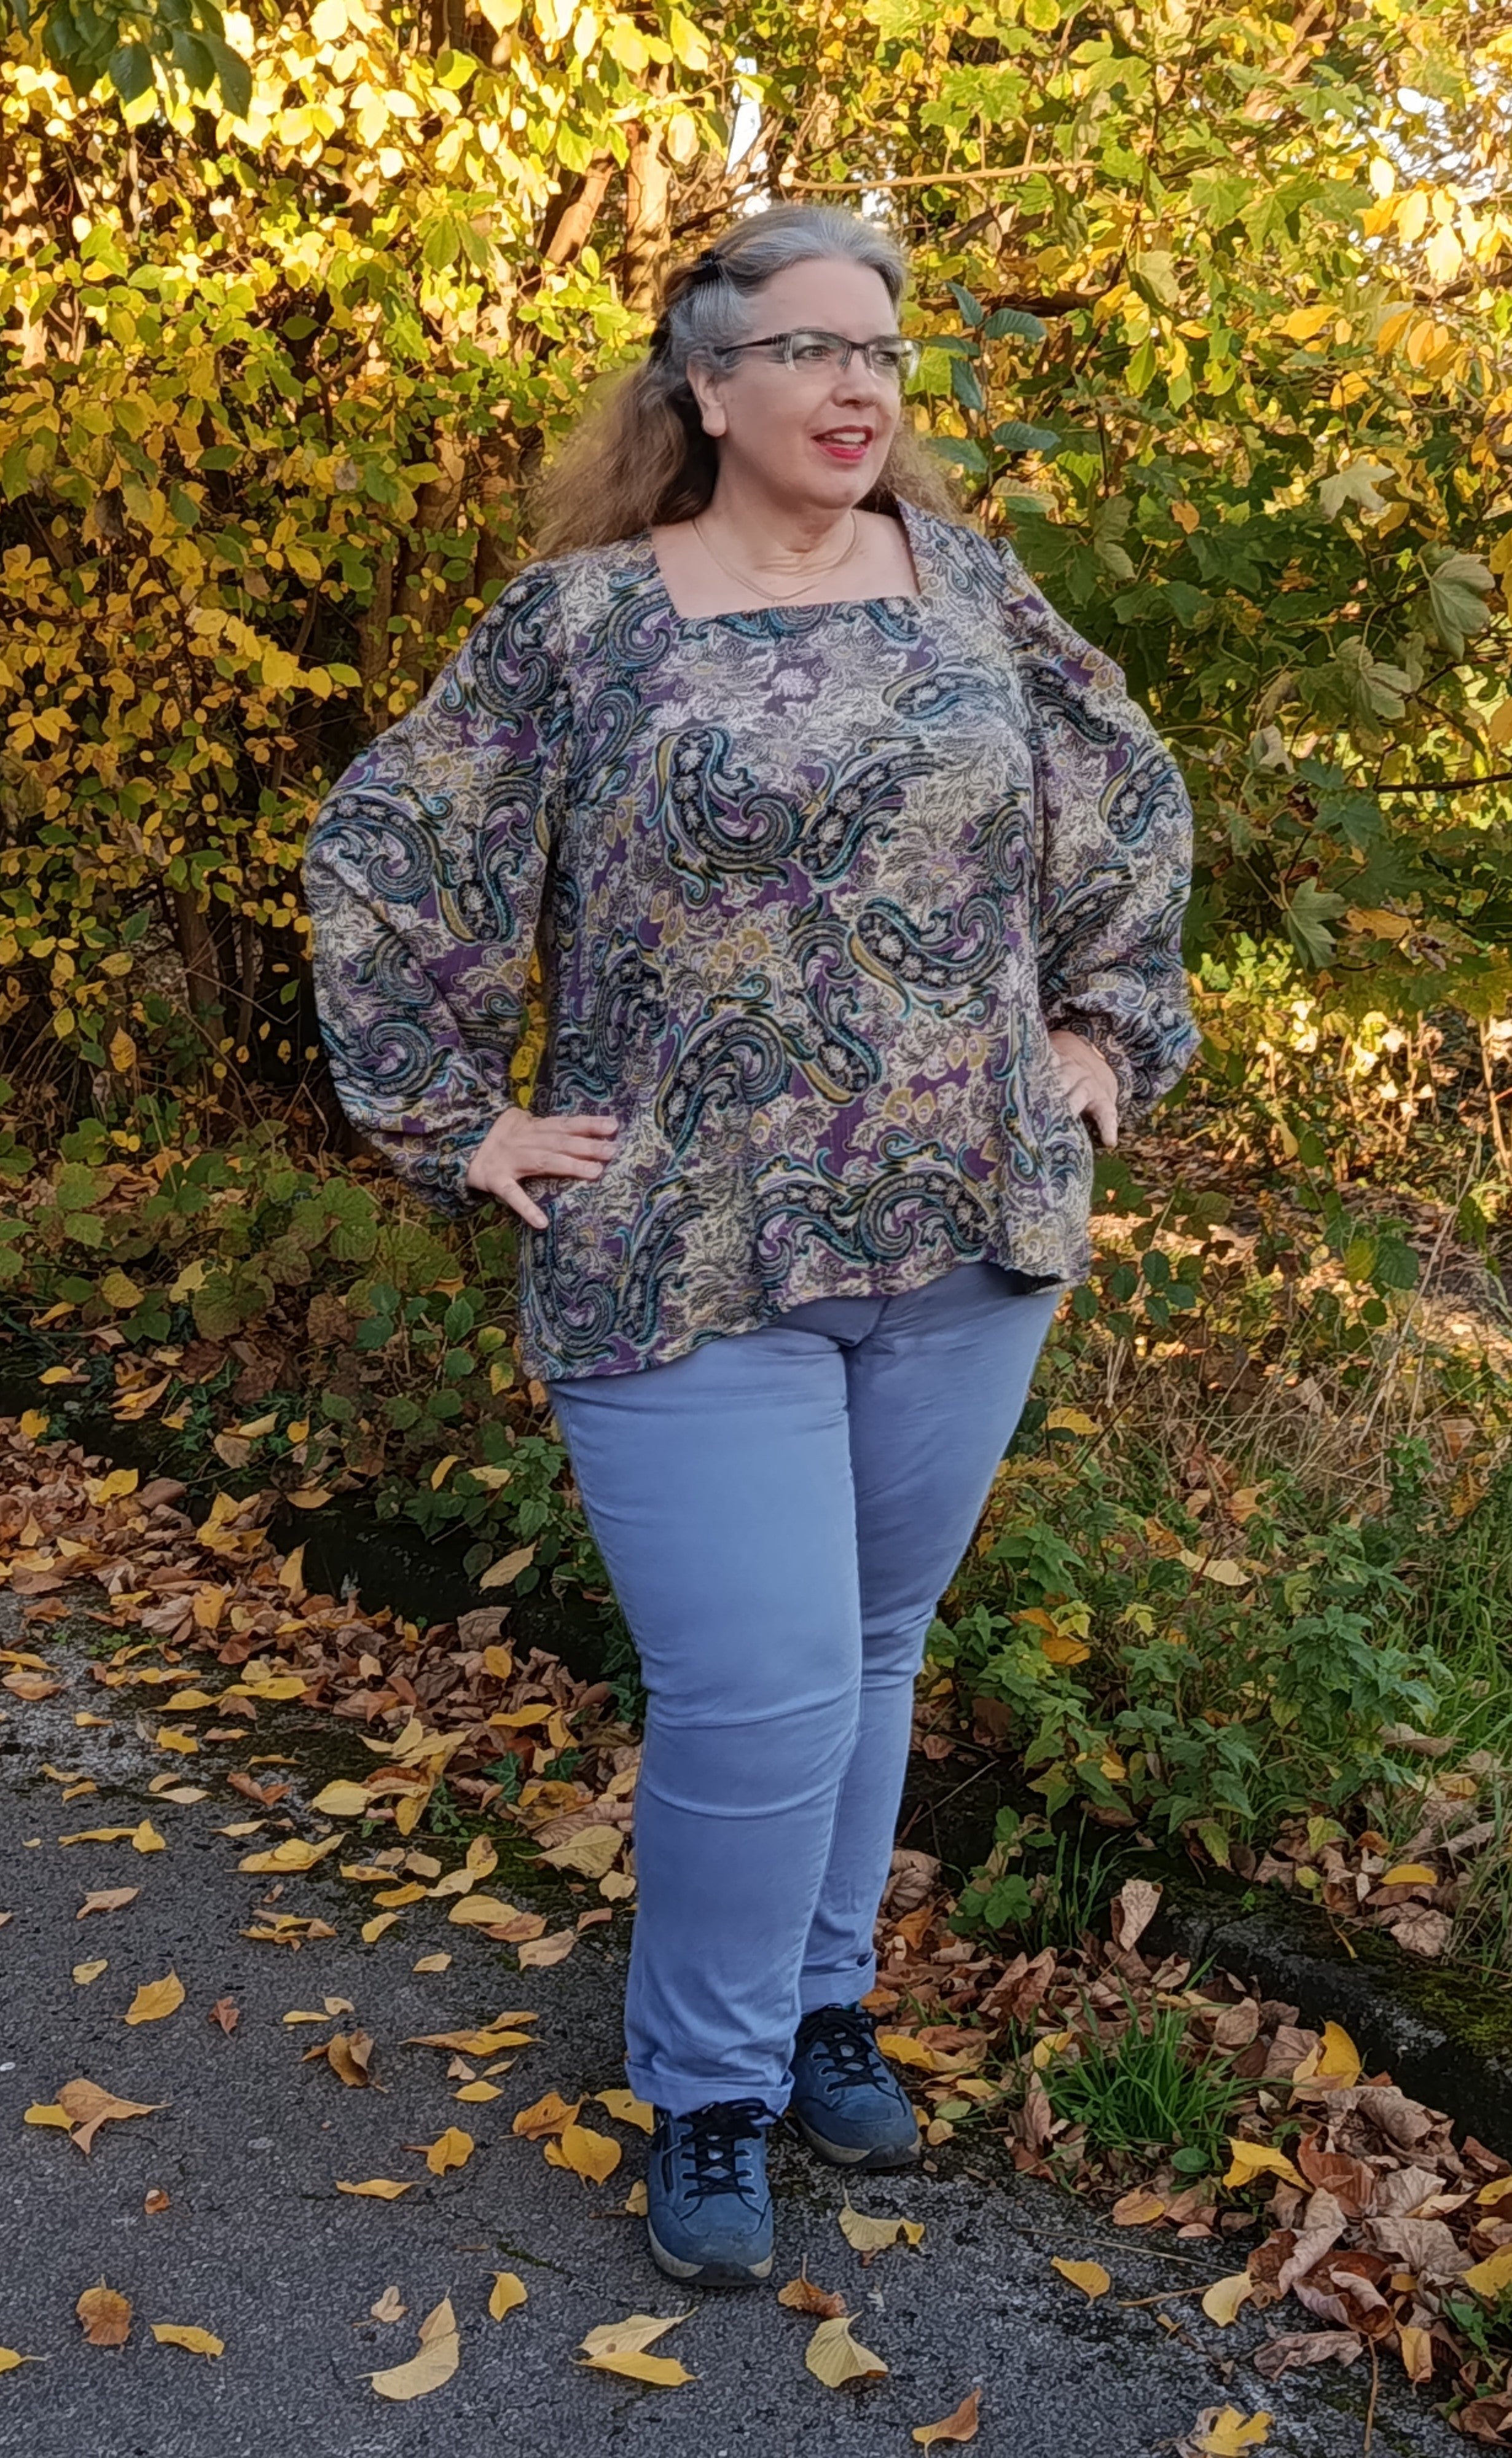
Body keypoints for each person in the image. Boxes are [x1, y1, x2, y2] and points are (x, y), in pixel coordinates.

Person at [305, 202, 1197, 2287]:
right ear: (701, 385)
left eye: (881, 350)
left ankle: (815, 2010)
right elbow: (392, 839)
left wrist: (1098, 1030)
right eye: (804, 348)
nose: (858, 384)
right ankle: (705, 2090)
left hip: (968, 1224)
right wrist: (458, 1114)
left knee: (871, 1657)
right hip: (678, 1239)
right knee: (761, 1686)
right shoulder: (583, 627)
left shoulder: (967, 586)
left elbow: (1129, 798)